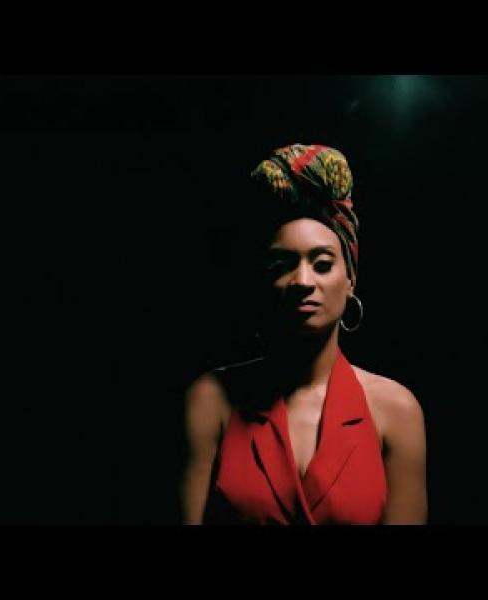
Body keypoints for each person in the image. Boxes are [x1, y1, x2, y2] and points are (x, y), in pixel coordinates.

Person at [181, 143, 427, 525]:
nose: (302, 281)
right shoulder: (211, 402)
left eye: (322, 264)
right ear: (263, 283)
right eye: (282, 265)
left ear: (350, 279)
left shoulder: (396, 411)